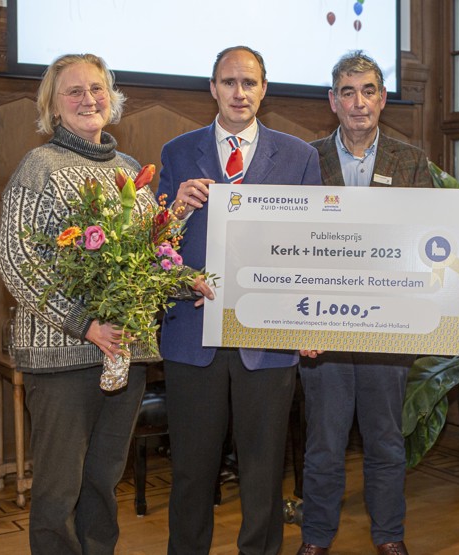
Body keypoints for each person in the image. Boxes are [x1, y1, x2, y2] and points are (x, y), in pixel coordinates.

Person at [156, 45, 322, 555]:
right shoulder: (178, 152)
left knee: (263, 475)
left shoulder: (299, 156)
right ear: (213, 88)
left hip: (268, 339)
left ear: (264, 89)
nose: (239, 92)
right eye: (229, 82)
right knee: (190, 475)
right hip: (192, 335)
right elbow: (155, 245)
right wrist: (177, 211)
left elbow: (314, 246)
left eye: (249, 83)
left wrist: (311, 321)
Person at [0, 53, 156, 554]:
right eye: (74, 91)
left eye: (97, 88)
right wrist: (85, 324)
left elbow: (151, 257)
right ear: (53, 105)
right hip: (62, 358)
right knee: (57, 493)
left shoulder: (131, 170)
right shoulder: (38, 166)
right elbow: (16, 260)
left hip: (122, 356)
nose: (88, 99)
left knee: (103, 486)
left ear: (111, 97)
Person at [296, 50, 433, 555]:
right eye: (348, 92)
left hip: (387, 331)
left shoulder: (411, 160)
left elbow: (428, 242)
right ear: (333, 101)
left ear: (382, 99)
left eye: (369, 90)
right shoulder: (304, 158)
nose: (359, 102)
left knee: (386, 444)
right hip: (323, 330)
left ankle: (390, 537)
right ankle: (315, 539)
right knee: (324, 446)